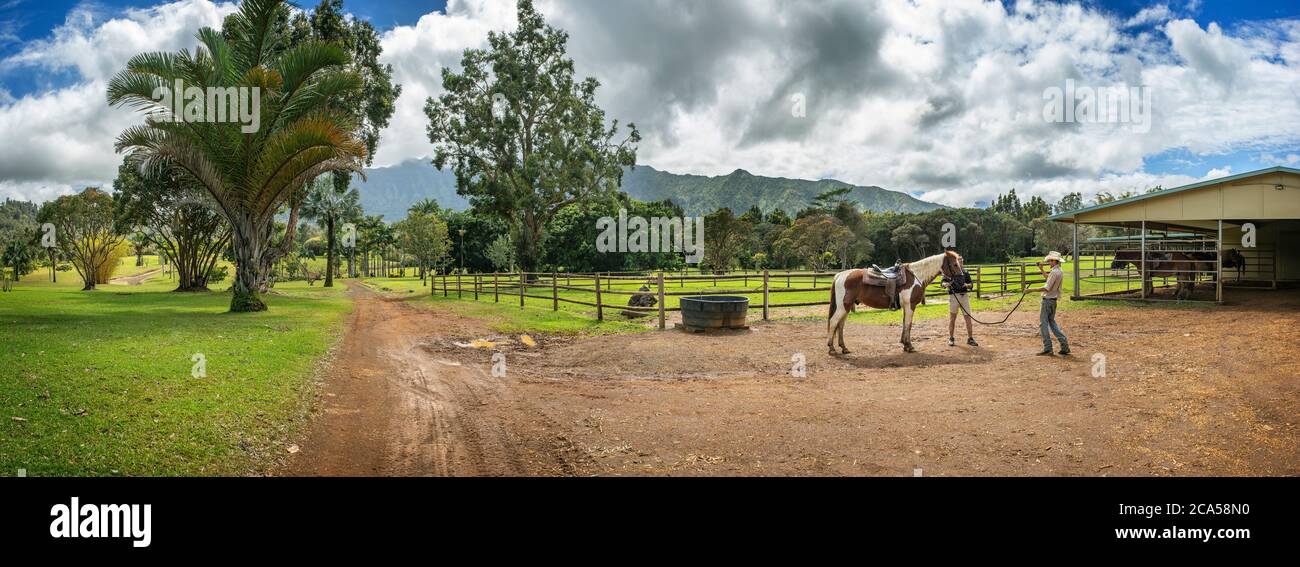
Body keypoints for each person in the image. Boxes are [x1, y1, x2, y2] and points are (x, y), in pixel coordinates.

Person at [1028, 251, 1070, 356]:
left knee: (1044, 324)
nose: (1049, 262)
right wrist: (1041, 269)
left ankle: (1048, 348)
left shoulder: (1055, 272)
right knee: (1052, 323)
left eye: (1050, 260)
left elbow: (1047, 288)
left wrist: (1031, 290)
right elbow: (1048, 279)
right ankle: (1064, 345)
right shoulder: (1058, 271)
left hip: (1047, 301)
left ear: (1055, 261)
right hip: (1053, 301)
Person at [940, 253, 977, 347]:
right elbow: (943, 283)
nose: (961, 263)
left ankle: (970, 338)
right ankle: (951, 338)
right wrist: (945, 284)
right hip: (954, 297)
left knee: (968, 318)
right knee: (952, 318)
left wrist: (966, 285)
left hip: (964, 297)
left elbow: (971, 285)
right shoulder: (950, 272)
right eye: (959, 261)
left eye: (962, 261)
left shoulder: (965, 272)